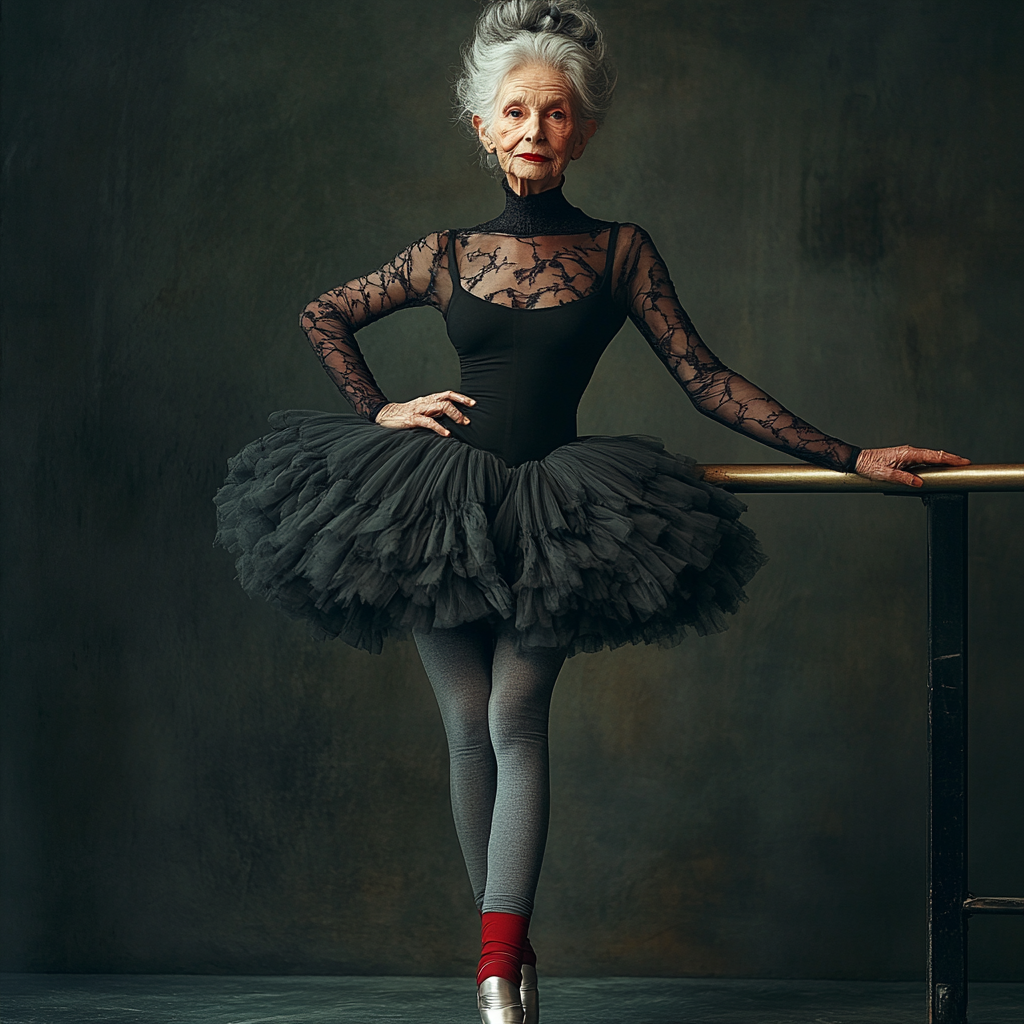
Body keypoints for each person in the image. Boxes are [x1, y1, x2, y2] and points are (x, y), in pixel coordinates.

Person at [214, 2, 968, 1021]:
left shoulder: (618, 250)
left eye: (556, 113)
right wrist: (382, 408)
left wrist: (848, 454)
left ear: (586, 129)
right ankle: (508, 956)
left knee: (514, 710)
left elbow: (706, 380)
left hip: (555, 516)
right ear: (482, 126)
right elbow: (326, 313)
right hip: (431, 511)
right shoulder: (443, 253)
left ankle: (494, 969)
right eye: (515, 112)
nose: (535, 130)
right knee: (462, 724)